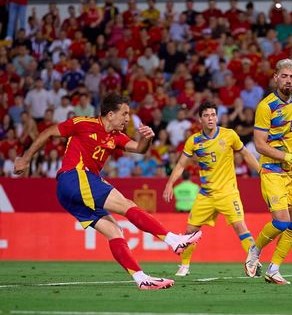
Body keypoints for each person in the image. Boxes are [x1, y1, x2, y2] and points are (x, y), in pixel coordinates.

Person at [12, 94, 202, 290]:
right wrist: (25, 159)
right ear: (110, 114)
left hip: (72, 191)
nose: (128, 118)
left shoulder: (116, 137)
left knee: (115, 231)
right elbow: (49, 132)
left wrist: (147, 139)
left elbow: (139, 149)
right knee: (127, 205)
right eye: (124, 114)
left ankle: (141, 278)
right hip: (75, 177)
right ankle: (174, 241)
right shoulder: (82, 123)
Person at [163, 101, 261, 277]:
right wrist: (170, 183)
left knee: (241, 227)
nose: (211, 118)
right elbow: (180, 164)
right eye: (207, 115)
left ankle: (253, 260)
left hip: (228, 193)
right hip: (206, 195)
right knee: (190, 232)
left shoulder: (229, 135)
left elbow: (246, 154)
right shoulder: (194, 141)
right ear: (200, 119)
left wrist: (261, 170)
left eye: (213, 115)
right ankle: (184, 266)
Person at [245, 59, 292, 284]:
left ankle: (274, 269)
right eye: (284, 76)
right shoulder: (266, 106)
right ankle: (255, 249)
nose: (289, 81)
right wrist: (290, 156)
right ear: (275, 77)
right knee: (281, 222)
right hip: (273, 169)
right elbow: (259, 145)